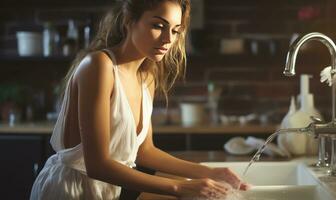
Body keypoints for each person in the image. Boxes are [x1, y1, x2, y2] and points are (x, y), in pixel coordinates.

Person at [30, 0, 249, 199]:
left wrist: (210, 172)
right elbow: (96, 165)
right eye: (158, 26)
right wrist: (179, 188)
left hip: (108, 192)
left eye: (175, 30)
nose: (168, 39)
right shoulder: (99, 66)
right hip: (70, 191)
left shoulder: (147, 76)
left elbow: (144, 152)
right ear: (128, 21)